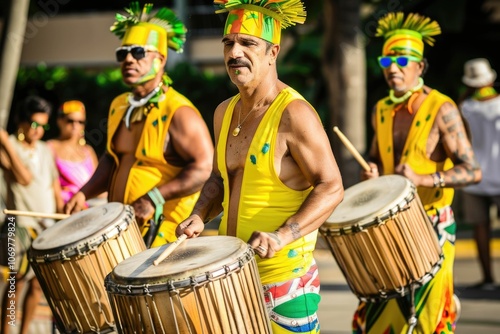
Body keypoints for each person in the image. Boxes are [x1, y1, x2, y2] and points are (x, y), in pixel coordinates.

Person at [176, 1, 344, 333]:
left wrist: (282, 236)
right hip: (234, 277)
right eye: (228, 42)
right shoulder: (224, 112)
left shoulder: (294, 114)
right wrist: (199, 213)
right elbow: (219, 179)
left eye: (248, 43)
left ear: (272, 52)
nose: (234, 52)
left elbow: (332, 187)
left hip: (284, 281)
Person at [353, 12, 482, 333]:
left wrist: (424, 180)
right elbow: (375, 158)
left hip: (432, 223)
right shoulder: (380, 110)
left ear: (420, 66)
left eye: (402, 60)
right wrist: (372, 173)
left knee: (428, 318)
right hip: (388, 227)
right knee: (379, 315)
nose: (392, 68)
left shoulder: (443, 108)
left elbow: (472, 171)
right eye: (386, 61)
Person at [64, 2, 214, 248]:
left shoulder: (179, 111)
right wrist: (83, 192)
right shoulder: (119, 105)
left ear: (162, 59)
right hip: (120, 230)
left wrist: (154, 198)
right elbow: (112, 159)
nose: (129, 60)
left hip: (163, 236)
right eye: (122, 54)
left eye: (139, 52)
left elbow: (204, 168)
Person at [0, 95, 63, 334]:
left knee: (38, 284)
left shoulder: (45, 148)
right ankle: (7, 330)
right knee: (17, 281)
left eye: (43, 126)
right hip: (20, 223)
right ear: (22, 122)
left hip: (46, 222)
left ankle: (24, 331)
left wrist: (60, 216)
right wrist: (6, 142)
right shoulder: (9, 147)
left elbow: (54, 184)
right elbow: (23, 178)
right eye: (34, 124)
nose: (38, 131)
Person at [459, 58, 500, 290]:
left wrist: (466, 94)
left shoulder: (465, 108)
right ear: (491, 79)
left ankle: (487, 278)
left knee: (481, 228)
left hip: (474, 178)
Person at [47, 100, 106, 207]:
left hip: (90, 205)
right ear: (60, 121)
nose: (75, 125)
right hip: (67, 207)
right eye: (70, 121)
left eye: (80, 122)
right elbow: (51, 184)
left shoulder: (88, 150)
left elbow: (97, 181)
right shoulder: (50, 147)